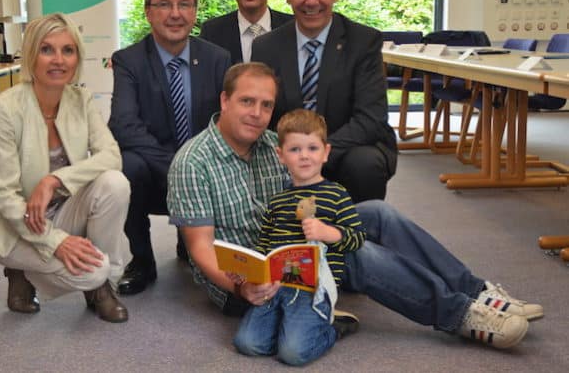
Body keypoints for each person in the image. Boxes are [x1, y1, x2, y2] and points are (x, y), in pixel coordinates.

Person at [168, 62, 543, 350]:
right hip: (254, 280)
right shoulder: (193, 162)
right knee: (353, 253)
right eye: (246, 101)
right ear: (224, 101)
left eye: (266, 105)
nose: (257, 113)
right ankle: (461, 314)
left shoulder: (272, 146)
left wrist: (329, 221)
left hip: (296, 244)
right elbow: (201, 250)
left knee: (377, 214)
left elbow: (306, 198)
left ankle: (477, 291)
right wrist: (241, 290)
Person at [0, 13, 130, 323]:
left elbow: (111, 155)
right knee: (94, 270)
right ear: (31, 54)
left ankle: (102, 288)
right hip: (10, 224)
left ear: (77, 58)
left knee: (114, 183)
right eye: (47, 49)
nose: (58, 60)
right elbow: (5, 197)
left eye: (68, 50)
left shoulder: (80, 99)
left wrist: (54, 180)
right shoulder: (4, 110)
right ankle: (25, 272)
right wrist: (55, 242)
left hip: (58, 209)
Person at [109, 0, 231, 295]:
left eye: (185, 4)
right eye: (164, 4)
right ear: (148, 11)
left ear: (195, 10)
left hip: (205, 172)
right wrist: (178, 166)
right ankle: (143, 262)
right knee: (126, 165)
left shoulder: (219, 59)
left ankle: (192, 243)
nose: (175, 14)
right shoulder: (128, 61)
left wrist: (196, 166)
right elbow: (123, 124)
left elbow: (227, 120)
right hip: (153, 170)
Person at [251, 0, 397, 202]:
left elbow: (371, 118)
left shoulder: (363, 41)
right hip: (288, 150)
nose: (311, 1)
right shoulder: (266, 47)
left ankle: (363, 239)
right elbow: (263, 114)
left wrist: (314, 151)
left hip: (351, 146)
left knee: (364, 164)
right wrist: (293, 152)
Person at [233, 108, 363, 366]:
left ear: (325, 152)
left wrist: (329, 233)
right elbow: (264, 245)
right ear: (281, 155)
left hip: (313, 289)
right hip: (275, 287)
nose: (304, 156)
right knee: (246, 343)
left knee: (293, 354)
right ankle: (290, 325)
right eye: (295, 150)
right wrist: (249, 270)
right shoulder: (278, 201)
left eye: (312, 148)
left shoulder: (337, 194)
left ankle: (332, 328)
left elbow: (357, 237)